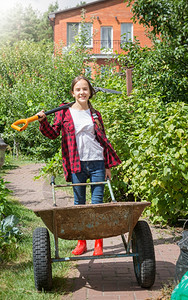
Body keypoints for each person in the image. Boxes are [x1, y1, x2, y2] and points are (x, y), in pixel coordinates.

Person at [37, 75, 121, 256]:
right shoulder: (64, 112)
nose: (82, 92)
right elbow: (52, 134)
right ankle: (81, 243)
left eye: (85, 89)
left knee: (97, 204)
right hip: (76, 163)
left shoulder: (95, 114)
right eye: (78, 89)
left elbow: (103, 140)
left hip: (97, 161)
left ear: (90, 93)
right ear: (73, 93)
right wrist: (43, 121)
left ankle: (98, 243)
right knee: (79, 205)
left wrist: (107, 166)